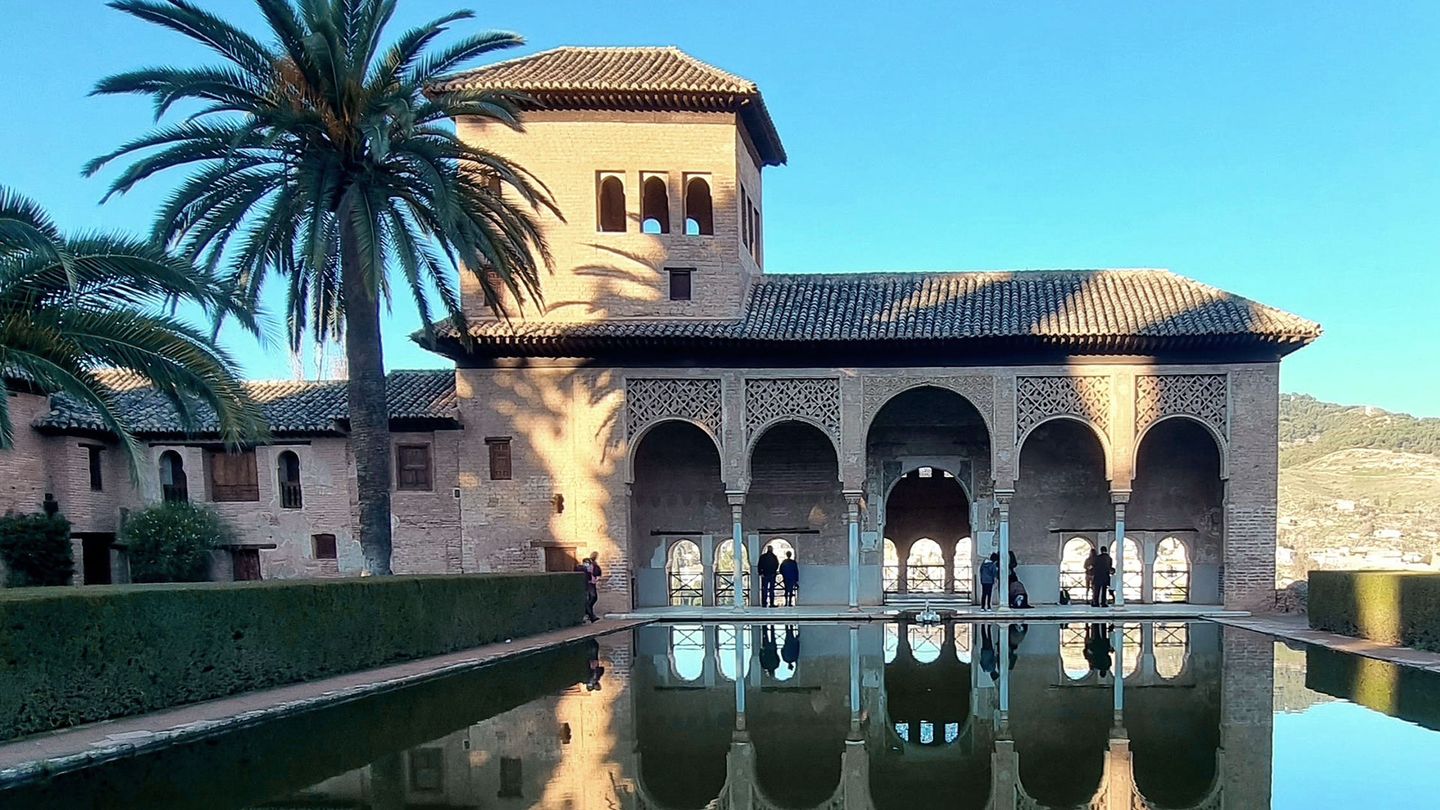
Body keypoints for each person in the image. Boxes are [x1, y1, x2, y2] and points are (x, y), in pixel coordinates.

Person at [576, 551, 603, 622]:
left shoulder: (594, 564)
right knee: (592, 597)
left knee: (593, 598)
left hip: (592, 583)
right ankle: (590, 615)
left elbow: (597, 572)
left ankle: (588, 611)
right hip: (588, 583)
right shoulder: (582, 567)